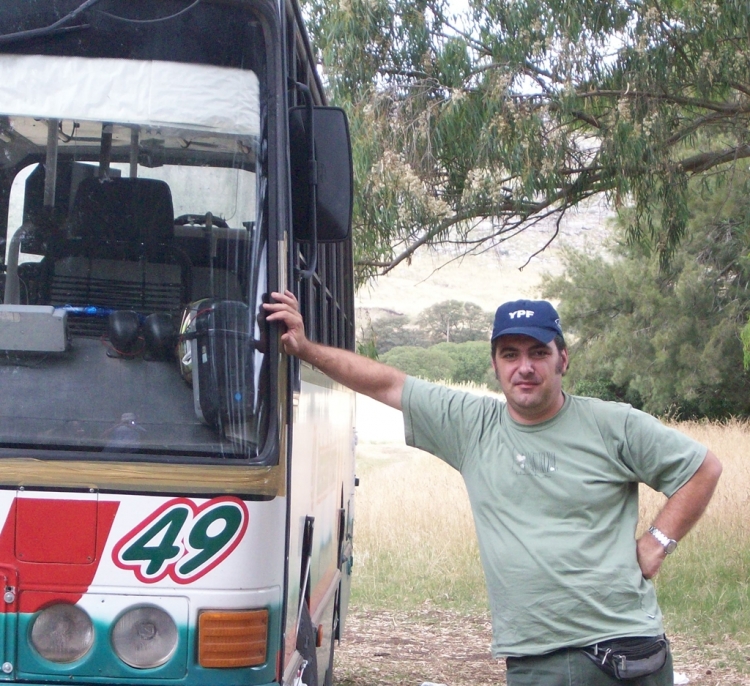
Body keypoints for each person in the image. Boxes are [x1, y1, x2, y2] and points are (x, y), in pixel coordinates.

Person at [264, 291, 722, 686]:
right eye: (510, 354)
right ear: (495, 365)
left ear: (563, 358)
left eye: (538, 352)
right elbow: (385, 381)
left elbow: (703, 468)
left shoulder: (614, 423)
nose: (525, 367)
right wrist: (305, 349)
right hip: (543, 657)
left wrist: (657, 542)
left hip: (633, 651)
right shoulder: (471, 424)